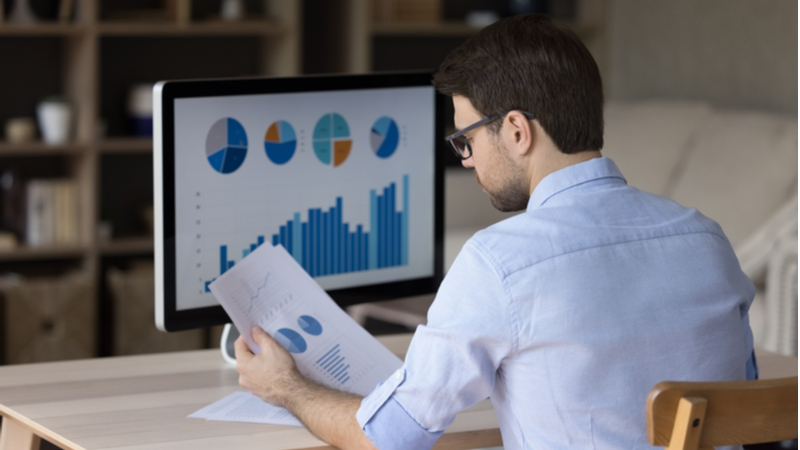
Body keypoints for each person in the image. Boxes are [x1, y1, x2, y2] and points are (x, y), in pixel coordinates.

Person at [234, 14, 757, 450]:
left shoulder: (500, 262)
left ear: (515, 130)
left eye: (465, 139)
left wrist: (285, 386)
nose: (465, 160)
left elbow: (389, 437)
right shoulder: (707, 239)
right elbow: (742, 397)